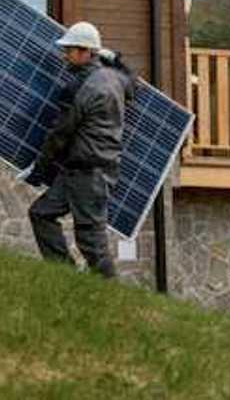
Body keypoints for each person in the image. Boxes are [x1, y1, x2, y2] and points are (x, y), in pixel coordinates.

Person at [23, 20, 134, 278]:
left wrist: (38, 170)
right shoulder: (113, 78)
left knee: (92, 244)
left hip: (90, 174)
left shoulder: (82, 89)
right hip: (78, 172)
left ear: (85, 52)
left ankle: (110, 294)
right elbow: (133, 84)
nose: (64, 56)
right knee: (41, 213)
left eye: (70, 50)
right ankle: (65, 275)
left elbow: (60, 134)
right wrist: (117, 61)